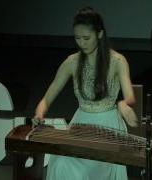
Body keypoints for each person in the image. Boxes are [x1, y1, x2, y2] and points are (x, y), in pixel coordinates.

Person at [34, 6, 138, 180]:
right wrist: (39, 113)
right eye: (77, 38)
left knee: (81, 171)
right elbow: (46, 99)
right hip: (80, 125)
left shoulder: (117, 61)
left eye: (86, 38)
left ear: (99, 34)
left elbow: (130, 97)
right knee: (60, 162)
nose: (81, 43)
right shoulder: (72, 62)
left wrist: (123, 104)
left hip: (108, 127)